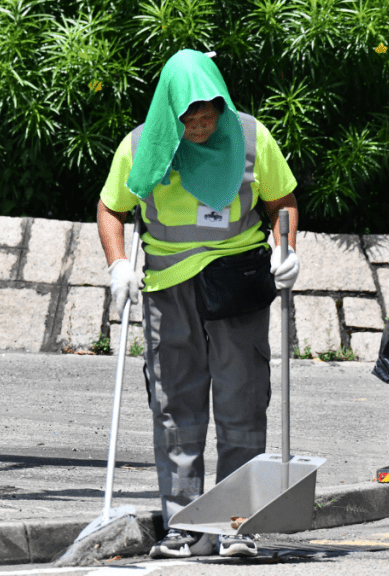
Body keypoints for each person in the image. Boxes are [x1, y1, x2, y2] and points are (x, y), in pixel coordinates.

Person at [96, 49, 300, 559]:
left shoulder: (251, 136)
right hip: (168, 286)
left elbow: (283, 202)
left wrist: (286, 249)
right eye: (188, 114)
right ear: (170, 110)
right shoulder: (142, 145)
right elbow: (111, 207)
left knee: (242, 402)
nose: (201, 122)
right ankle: (186, 524)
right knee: (174, 406)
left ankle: (237, 524)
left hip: (236, 283)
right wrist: (118, 263)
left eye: (209, 109)